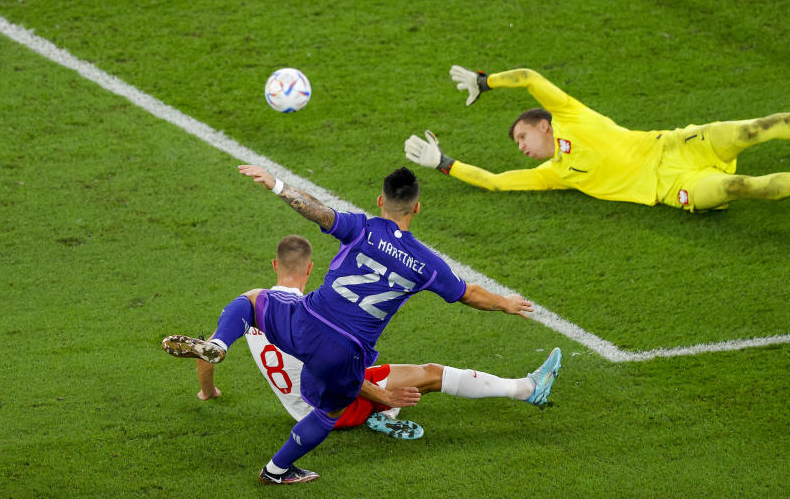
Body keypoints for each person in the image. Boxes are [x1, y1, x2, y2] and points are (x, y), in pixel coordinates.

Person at [161, 165, 549, 485]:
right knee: (328, 413)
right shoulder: (428, 264)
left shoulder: (363, 227)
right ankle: (276, 470)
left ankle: (220, 343)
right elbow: (470, 294)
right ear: (418, 207)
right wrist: (506, 304)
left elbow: (316, 211)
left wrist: (277, 184)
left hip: (305, 321)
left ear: (381, 201)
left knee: (250, 302)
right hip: (344, 352)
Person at [192, 234, 562, 442]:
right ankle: (528, 389)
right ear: (310, 269)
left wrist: (209, 391)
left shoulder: (254, 308)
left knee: (364, 359)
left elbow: (204, 356)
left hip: (298, 403)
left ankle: (380, 413)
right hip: (329, 407)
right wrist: (380, 394)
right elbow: (335, 374)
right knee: (429, 373)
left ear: (275, 266)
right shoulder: (308, 319)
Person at [404, 66, 790, 211]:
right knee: (740, 187)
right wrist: (443, 162)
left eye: (523, 136)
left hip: (676, 146)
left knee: (753, 129)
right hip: (671, 189)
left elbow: (529, 75)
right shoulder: (554, 174)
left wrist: (486, 82)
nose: (522, 148)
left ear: (545, 125)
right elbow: (494, 182)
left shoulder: (570, 114)